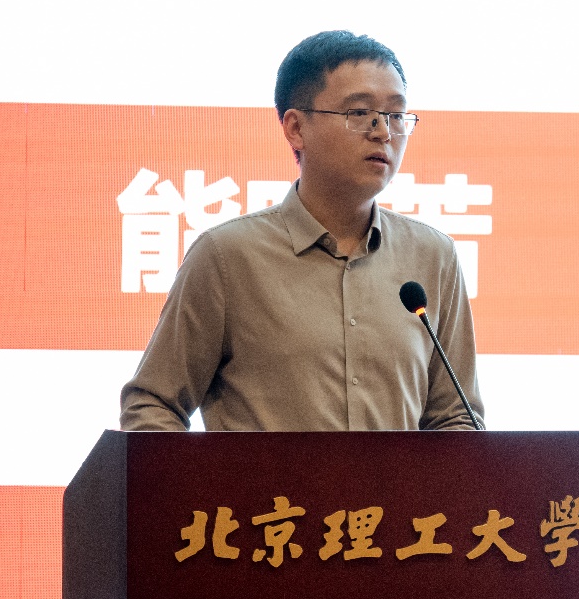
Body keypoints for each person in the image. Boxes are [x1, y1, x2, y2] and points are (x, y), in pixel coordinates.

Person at [119, 31, 484, 431]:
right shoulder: (227, 256)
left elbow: (455, 417)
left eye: (396, 115)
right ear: (295, 128)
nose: (383, 132)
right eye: (359, 112)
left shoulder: (433, 256)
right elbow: (152, 405)